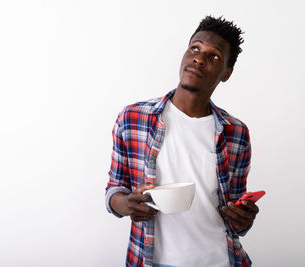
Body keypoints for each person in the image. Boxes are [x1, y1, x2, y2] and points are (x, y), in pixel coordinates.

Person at [105, 16, 259, 267]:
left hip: (220, 259)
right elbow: (114, 190)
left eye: (214, 56)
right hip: (150, 259)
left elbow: (236, 211)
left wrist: (244, 218)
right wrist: (127, 204)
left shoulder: (237, 132)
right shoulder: (133, 118)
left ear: (226, 73)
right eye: (195, 48)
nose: (199, 58)